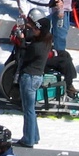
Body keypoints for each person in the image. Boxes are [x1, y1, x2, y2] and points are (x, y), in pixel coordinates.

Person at [16, 9, 53, 148]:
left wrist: (21, 41)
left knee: (28, 110)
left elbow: (23, 56)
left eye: (35, 29)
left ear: (40, 30)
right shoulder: (47, 40)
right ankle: (34, 136)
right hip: (37, 77)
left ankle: (28, 139)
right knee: (31, 109)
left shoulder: (36, 47)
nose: (33, 30)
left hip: (29, 77)